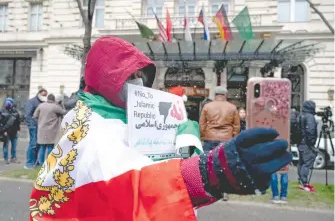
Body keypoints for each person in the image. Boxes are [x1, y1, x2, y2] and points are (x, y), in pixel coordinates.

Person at [29, 36, 292, 221]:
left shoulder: (123, 115)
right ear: (104, 77)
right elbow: (127, 184)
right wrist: (211, 171)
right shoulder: (87, 122)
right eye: (129, 75)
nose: (138, 83)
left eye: (140, 76)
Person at [199, 86, 240, 152]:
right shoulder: (232, 107)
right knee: (225, 160)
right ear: (225, 95)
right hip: (227, 138)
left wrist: (204, 136)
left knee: (208, 159)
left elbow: (202, 124)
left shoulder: (207, 106)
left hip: (210, 137)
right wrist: (233, 137)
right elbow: (236, 126)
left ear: (215, 95)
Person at [33, 94, 67, 165]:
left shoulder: (41, 105)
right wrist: (61, 104)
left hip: (41, 129)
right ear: (54, 99)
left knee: (42, 147)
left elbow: (35, 115)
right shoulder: (55, 107)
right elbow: (64, 112)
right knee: (50, 146)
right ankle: (48, 163)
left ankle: (41, 163)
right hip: (51, 129)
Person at [24, 88, 48, 169]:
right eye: (44, 95)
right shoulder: (32, 102)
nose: (45, 96)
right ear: (39, 93)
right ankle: (29, 163)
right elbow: (28, 115)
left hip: (40, 127)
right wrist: (32, 124)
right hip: (34, 126)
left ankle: (35, 161)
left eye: (46, 95)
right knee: (33, 144)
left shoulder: (43, 102)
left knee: (38, 145)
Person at [297, 100, 318, 192]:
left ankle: (301, 182)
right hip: (307, 144)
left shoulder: (301, 115)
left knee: (301, 163)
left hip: (301, 143)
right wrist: (312, 143)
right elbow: (311, 130)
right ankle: (305, 183)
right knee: (307, 163)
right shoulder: (310, 117)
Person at [1, 98, 21, 164]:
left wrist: (18, 129)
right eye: (7, 102)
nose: (8, 103)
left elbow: (18, 121)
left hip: (14, 131)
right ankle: (6, 158)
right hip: (6, 132)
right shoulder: (2, 111)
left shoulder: (15, 111)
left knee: (14, 146)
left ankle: (13, 158)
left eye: (10, 102)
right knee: (6, 145)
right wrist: (3, 131)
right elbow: (1, 123)